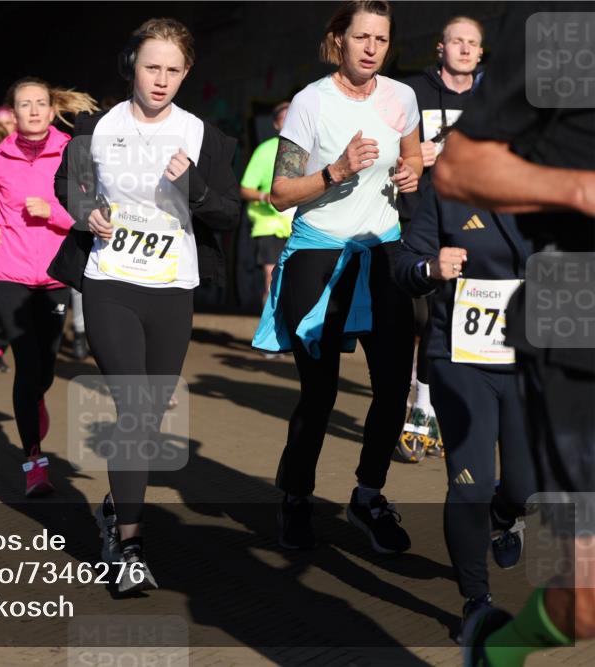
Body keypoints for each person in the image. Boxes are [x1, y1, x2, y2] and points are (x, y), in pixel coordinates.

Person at [51, 17, 239, 593]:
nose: (160, 80)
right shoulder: (96, 128)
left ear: (186, 74)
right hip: (111, 279)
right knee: (133, 407)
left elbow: (228, 214)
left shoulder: (203, 136)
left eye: (173, 71)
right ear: (132, 64)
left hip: (172, 287)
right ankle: (128, 545)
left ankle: (115, 506)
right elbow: (71, 187)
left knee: (148, 421)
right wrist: (88, 213)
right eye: (151, 67)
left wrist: (196, 188)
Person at [432, 2, 595, 664]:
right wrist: (584, 190)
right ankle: (494, 648)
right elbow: (460, 169)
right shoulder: (568, 30)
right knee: (584, 601)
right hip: (576, 329)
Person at [252, 0, 423, 554]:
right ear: (339, 41)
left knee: (394, 387)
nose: (371, 48)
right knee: (319, 394)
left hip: (381, 252)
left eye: (381, 39)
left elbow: (415, 160)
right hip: (319, 255)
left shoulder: (403, 97)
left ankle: (368, 496)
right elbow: (280, 194)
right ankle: (297, 499)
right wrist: (337, 170)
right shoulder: (310, 103)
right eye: (361, 37)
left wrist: (411, 174)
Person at [389, 174, 535, 641]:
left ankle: (502, 514)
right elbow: (404, 262)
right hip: (461, 360)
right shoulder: (450, 192)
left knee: (528, 487)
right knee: (467, 483)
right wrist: (430, 267)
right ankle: (476, 601)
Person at [0, 77, 97, 496]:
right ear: (14, 113)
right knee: (26, 365)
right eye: (26, 104)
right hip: (10, 272)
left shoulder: (73, 151)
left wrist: (54, 212)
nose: (35, 110)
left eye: (41, 103)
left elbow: (91, 204)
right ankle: (34, 462)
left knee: (44, 371)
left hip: (57, 272)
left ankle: (35, 398)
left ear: (52, 107)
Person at [395, 15, 485, 462]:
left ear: (481, 52)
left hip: (474, 221)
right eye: (457, 41)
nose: (465, 49)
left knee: (449, 322)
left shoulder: (491, 97)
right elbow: (385, 143)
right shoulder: (412, 92)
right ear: (440, 47)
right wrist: (410, 154)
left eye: (473, 43)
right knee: (420, 320)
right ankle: (418, 399)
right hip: (418, 221)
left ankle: (431, 406)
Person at [240, 101, 294, 311]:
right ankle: (269, 335)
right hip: (270, 225)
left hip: (303, 226)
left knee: (299, 282)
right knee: (273, 282)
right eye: (284, 119)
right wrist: (268, 196)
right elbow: (244, 189)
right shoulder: (265, 151)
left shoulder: (313, 148)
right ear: (275, 124)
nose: (290, 123)